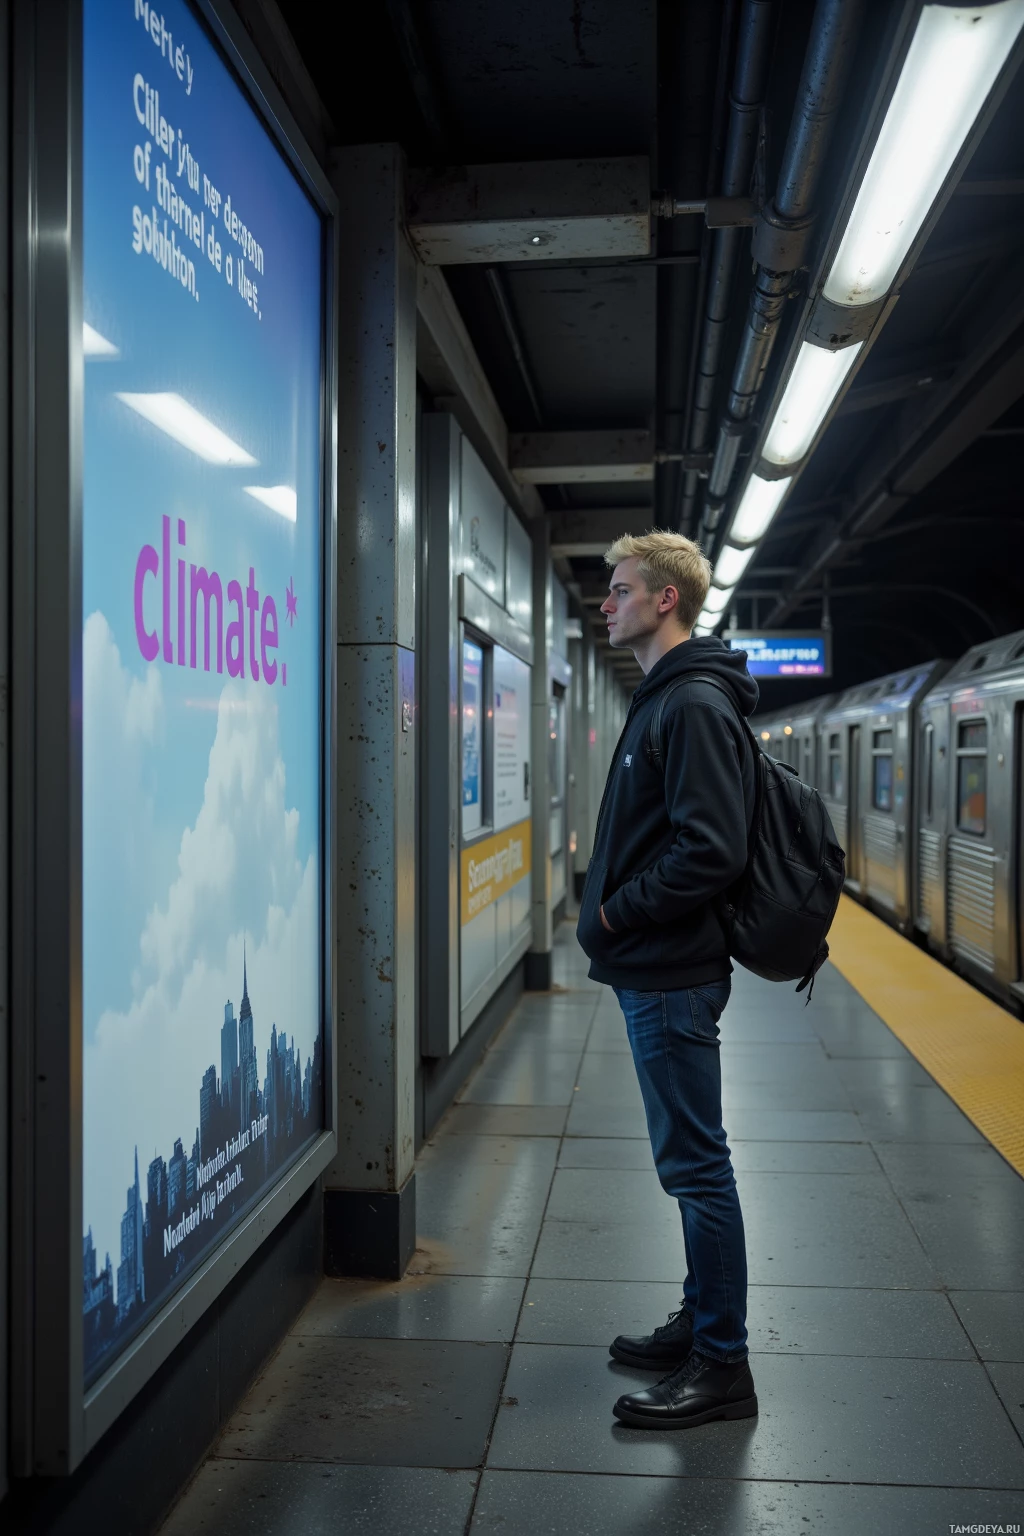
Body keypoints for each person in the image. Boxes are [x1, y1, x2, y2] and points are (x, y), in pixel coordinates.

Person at [576, 530, 760, 1431]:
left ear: (665, 602)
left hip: (670, 974)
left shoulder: (688, 704)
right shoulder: (666, 698)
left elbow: (710, 849)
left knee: (696, 1169)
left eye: (618, 591)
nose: (605, 604)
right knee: (690, 1166)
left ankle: (723, 1364)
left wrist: (616, 912)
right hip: (657, 970)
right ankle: (702, 1321)